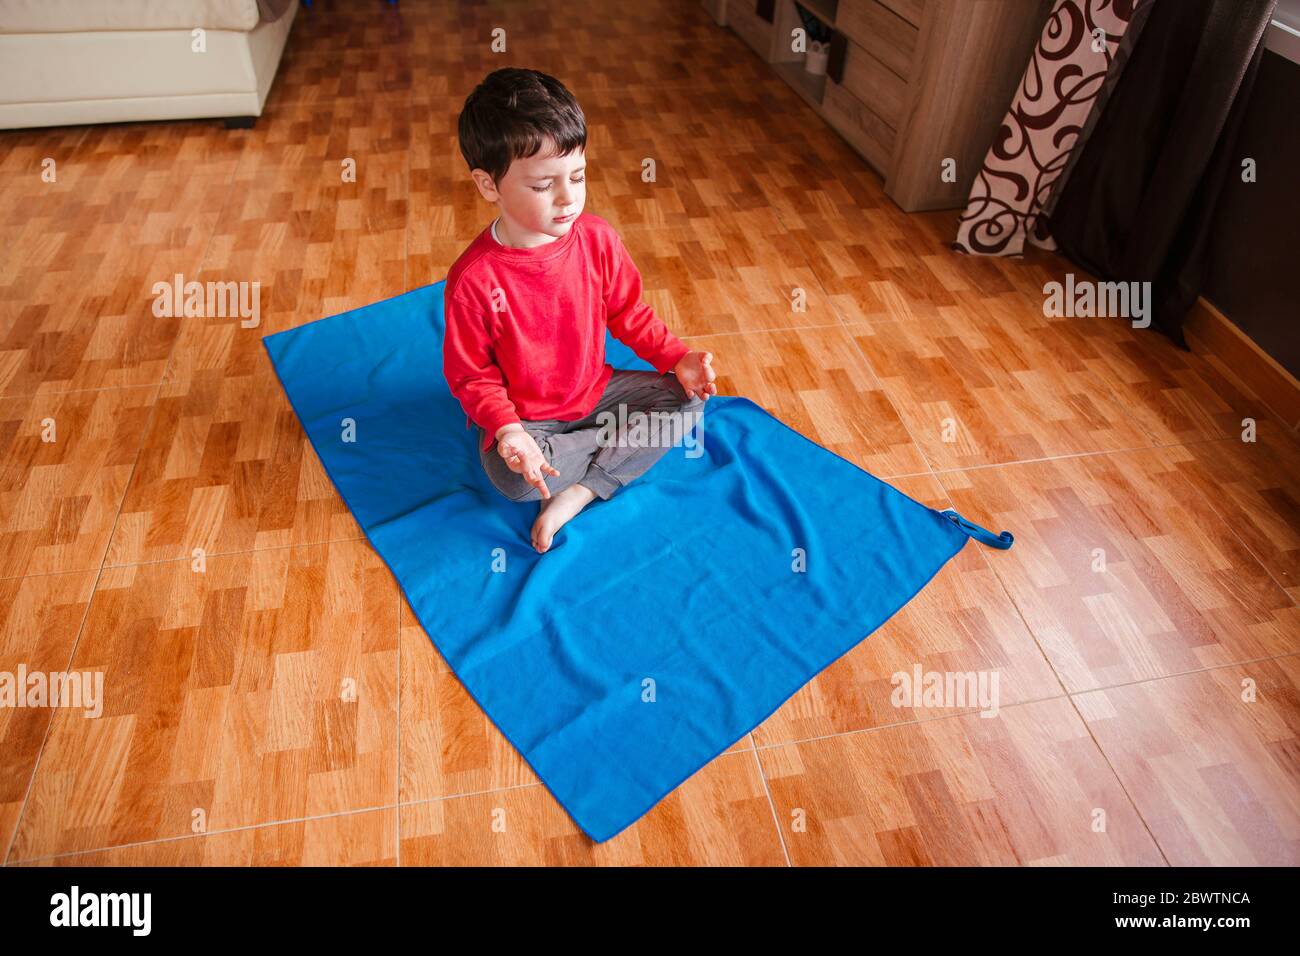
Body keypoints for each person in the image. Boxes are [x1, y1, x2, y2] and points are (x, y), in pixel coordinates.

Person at [443, 68, 718, 553]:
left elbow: (629, 313)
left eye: (578, 175)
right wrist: (509, 433)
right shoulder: (474, 280)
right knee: (518, 484)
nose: (569, 197)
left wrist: (677, 358)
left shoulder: (597, 240)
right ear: (489, 186)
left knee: (690, 399)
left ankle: (582, 490)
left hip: (595, 393)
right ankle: (605, 455)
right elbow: (472, 377)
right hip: (529, 420)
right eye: (543, 185)